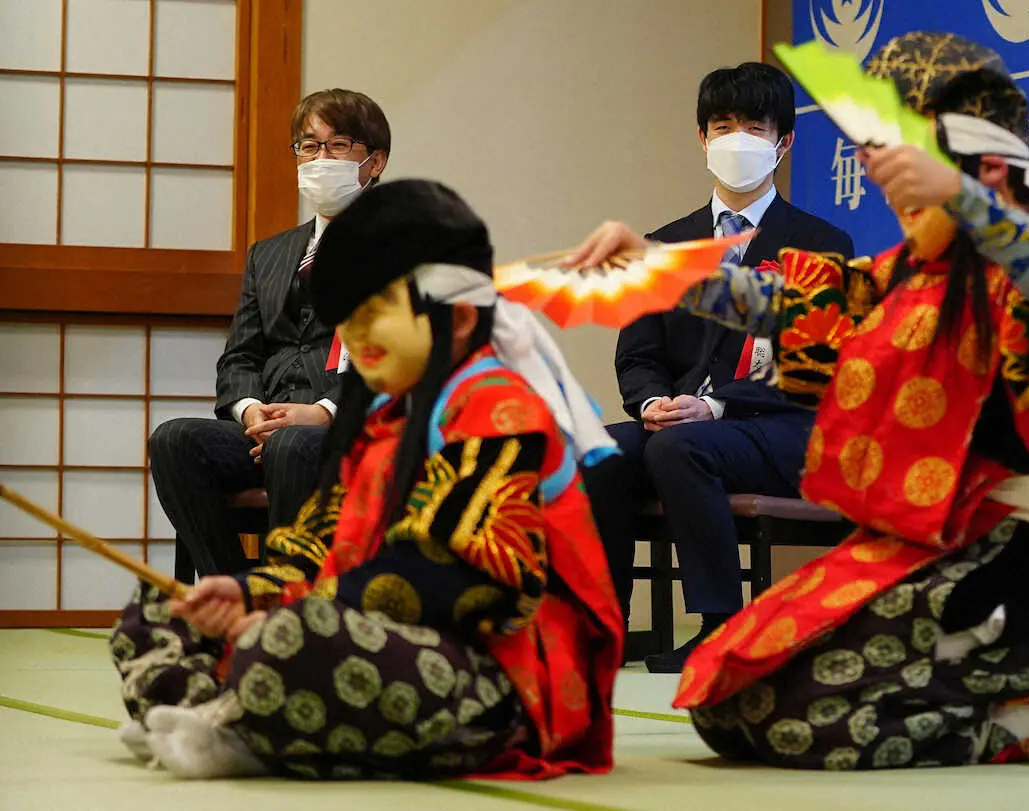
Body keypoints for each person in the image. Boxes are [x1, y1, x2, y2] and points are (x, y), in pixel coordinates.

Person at [569, 32, 1029, 769]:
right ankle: (987, 703)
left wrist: (965, 196)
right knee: (724, 690)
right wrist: (654, 264)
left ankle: (1018, 721)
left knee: (790, 721)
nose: (890, 189)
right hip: (926, 545)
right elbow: (792, 304)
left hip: (1017, 566)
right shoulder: (916, 274)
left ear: (973, 167)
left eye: (906, 169)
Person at [109, 180, 623, 781]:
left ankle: (241, 719)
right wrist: (247, 593)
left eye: (376, 309)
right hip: (361, 632)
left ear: (457, 318)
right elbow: (315, 554)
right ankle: (240, 716)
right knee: (157, 614)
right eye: (348, 318)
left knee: (294, 640)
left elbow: (458, 581)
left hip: (497, 677)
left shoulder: (498, 408)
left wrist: (283, 617)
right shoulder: (381, 419)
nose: (357, 335)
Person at [584, 62, 853, 673]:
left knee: (681, 451)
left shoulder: (822, 243)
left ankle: (718, 622)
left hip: (781, 425)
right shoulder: (665, 243)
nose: (735, 139)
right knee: (597, 450)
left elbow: (810, 362)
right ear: (702, 139)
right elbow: (638, 353)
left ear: (783, 142)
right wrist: (652, 402)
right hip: (680, 419)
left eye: (753, 127)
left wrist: (717, 405)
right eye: (722, 125)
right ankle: (603, 622)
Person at [149, 89, 390, 578]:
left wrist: (322, 412)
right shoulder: (270, 253)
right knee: (174, 440)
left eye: (338, 145)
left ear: (375, 162)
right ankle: (237, 596)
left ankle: (293, 605)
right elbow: (238, 356)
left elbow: (401, 359)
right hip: (267, 428)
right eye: (309, 146)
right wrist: (251, 410)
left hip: (352, 433)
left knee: (292, 444)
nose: (321, 158)